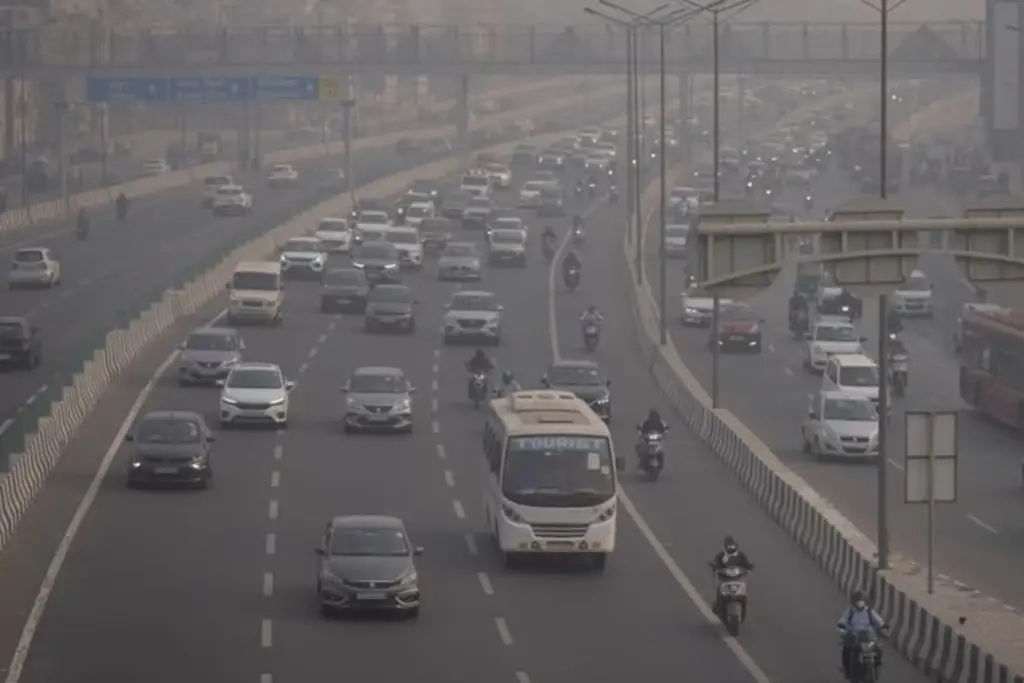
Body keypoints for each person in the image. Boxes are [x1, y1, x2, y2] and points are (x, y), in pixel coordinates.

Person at [837, 590, 887, 677]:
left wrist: (883, 629)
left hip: (868, 638)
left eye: (861, 599)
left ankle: (877, 666)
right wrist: (841, 630)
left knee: (878, 649)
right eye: (857, 599)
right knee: (845, 650)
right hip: (854, 638)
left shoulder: (869, 612)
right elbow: (842, 622)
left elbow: (879, 622)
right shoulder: (850, 612)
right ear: (853, 601)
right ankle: (847, 669)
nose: (859, 602)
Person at [710, 535, 755, 611]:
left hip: (738, 578)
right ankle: (718, 604)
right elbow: (716, 564)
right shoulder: (721, 556)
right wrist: (716, 568)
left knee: (745, 589)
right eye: (729, 548)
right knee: (718, 586)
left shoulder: (741, 556)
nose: (731, 551)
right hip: (725, 578)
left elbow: (747, 565)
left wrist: (749, 568)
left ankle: (744, 605)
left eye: (732, 548)